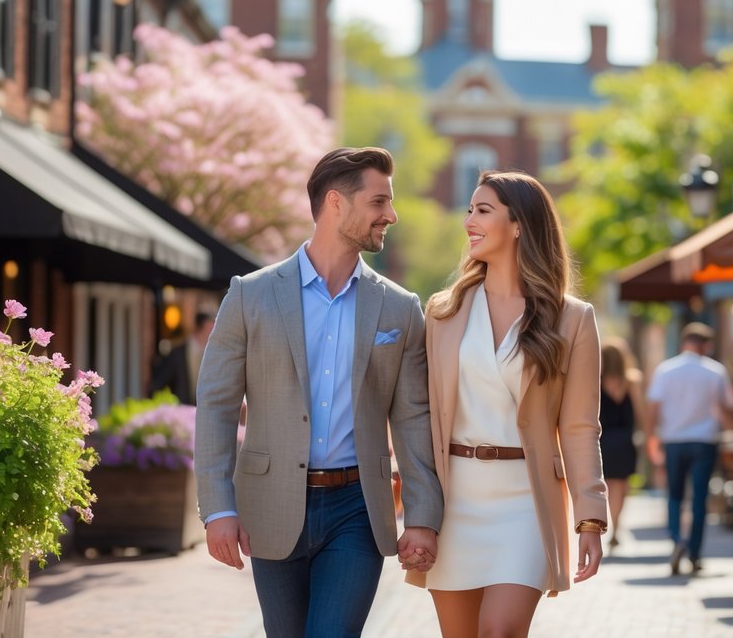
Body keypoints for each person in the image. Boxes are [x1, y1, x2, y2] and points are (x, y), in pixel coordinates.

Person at [194, 147, 444, 638]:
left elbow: (414, 417)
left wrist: (422, 515)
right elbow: (217, 405)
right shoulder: (250, 295)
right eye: (378, 202)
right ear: (336, 203)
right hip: (271, 504)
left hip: (358, 509)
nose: (390, 215)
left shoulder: (399, 308)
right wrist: (218, 508)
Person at [407, 170, 608, 637]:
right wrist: (413, 504)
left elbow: (580, 427)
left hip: (525, 501)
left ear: (519, 224)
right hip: (454, 502)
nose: (468, 221)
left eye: (482, 210)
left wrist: (590, 518)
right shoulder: (442, 312)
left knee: (500, 631)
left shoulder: (572, 319)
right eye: (469, 209)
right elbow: (418, 413)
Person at [647, 321, 733, 576]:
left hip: (674, 440)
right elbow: (730, 407)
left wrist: (651, 438)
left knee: (675, 496)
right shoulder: (715, 371)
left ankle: (677, 539)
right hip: (704, 441)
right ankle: (695, 553)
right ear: (706, 345)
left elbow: (653, 408)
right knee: (700, 499)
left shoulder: (665, 370)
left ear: (684, 342)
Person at [599, 336, 645, 548]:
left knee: (603, 485)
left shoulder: (595, 380)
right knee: (621, 487)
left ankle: (603, 524)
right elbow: (640, 413)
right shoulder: (632, 381)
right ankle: (616, 527)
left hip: (602, 439)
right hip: (625, 440)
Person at [150, 311, 214, 404]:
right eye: (210, 329)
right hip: (180, 412)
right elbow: (157, 385)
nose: (213, 333)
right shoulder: (176, 354)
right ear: (200, 329)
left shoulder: (212, 354)